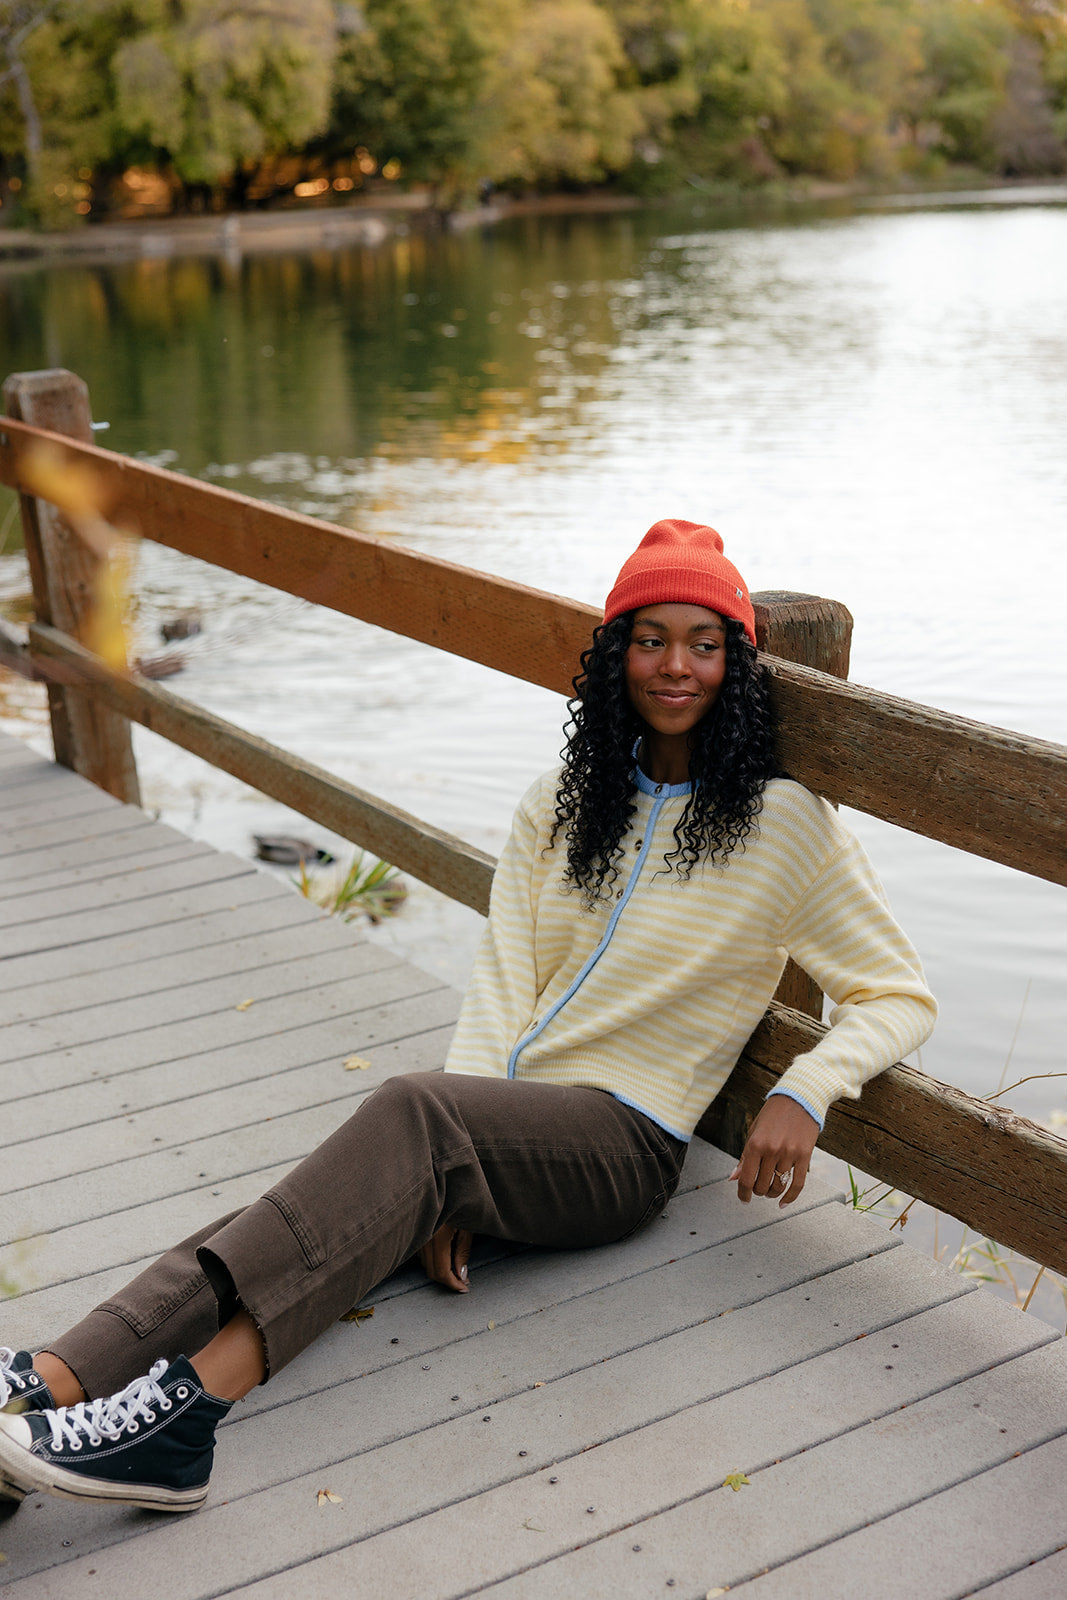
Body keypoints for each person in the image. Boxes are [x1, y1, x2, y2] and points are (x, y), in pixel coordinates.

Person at [0, 519, 936, 1513]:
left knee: (409, 1120)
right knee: (291, 1214)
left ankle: (151, 1409)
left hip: (626, 1144)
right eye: (650, 637)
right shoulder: (561, 806)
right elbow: (500, 982)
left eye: (703, 643)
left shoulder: (782, 823)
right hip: (498, 1130)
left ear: (734, 664)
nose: (675, 666)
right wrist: (456, 1180)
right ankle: (68, 1389)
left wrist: (806, 1086)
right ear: (616, 653)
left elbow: (897, 993)